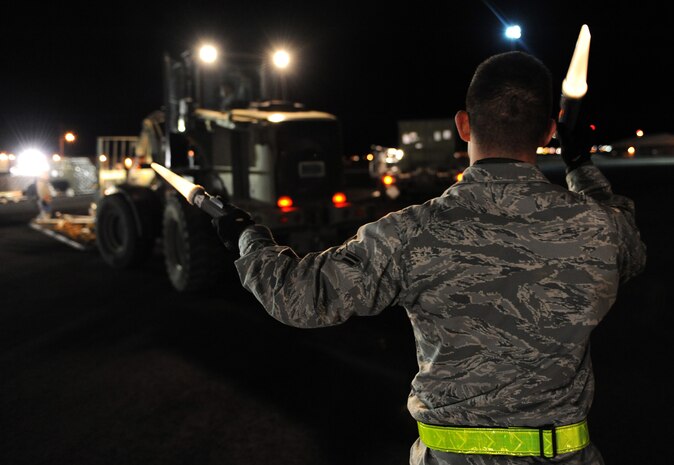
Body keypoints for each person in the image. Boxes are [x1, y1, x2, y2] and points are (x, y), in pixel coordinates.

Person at [211, 51, 647, 464]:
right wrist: (579, 165)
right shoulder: (598, 229)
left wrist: (248, 238)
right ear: (549, 130)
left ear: (463, 125)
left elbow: (299, 297)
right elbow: (629, 242)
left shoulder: (411, 233)